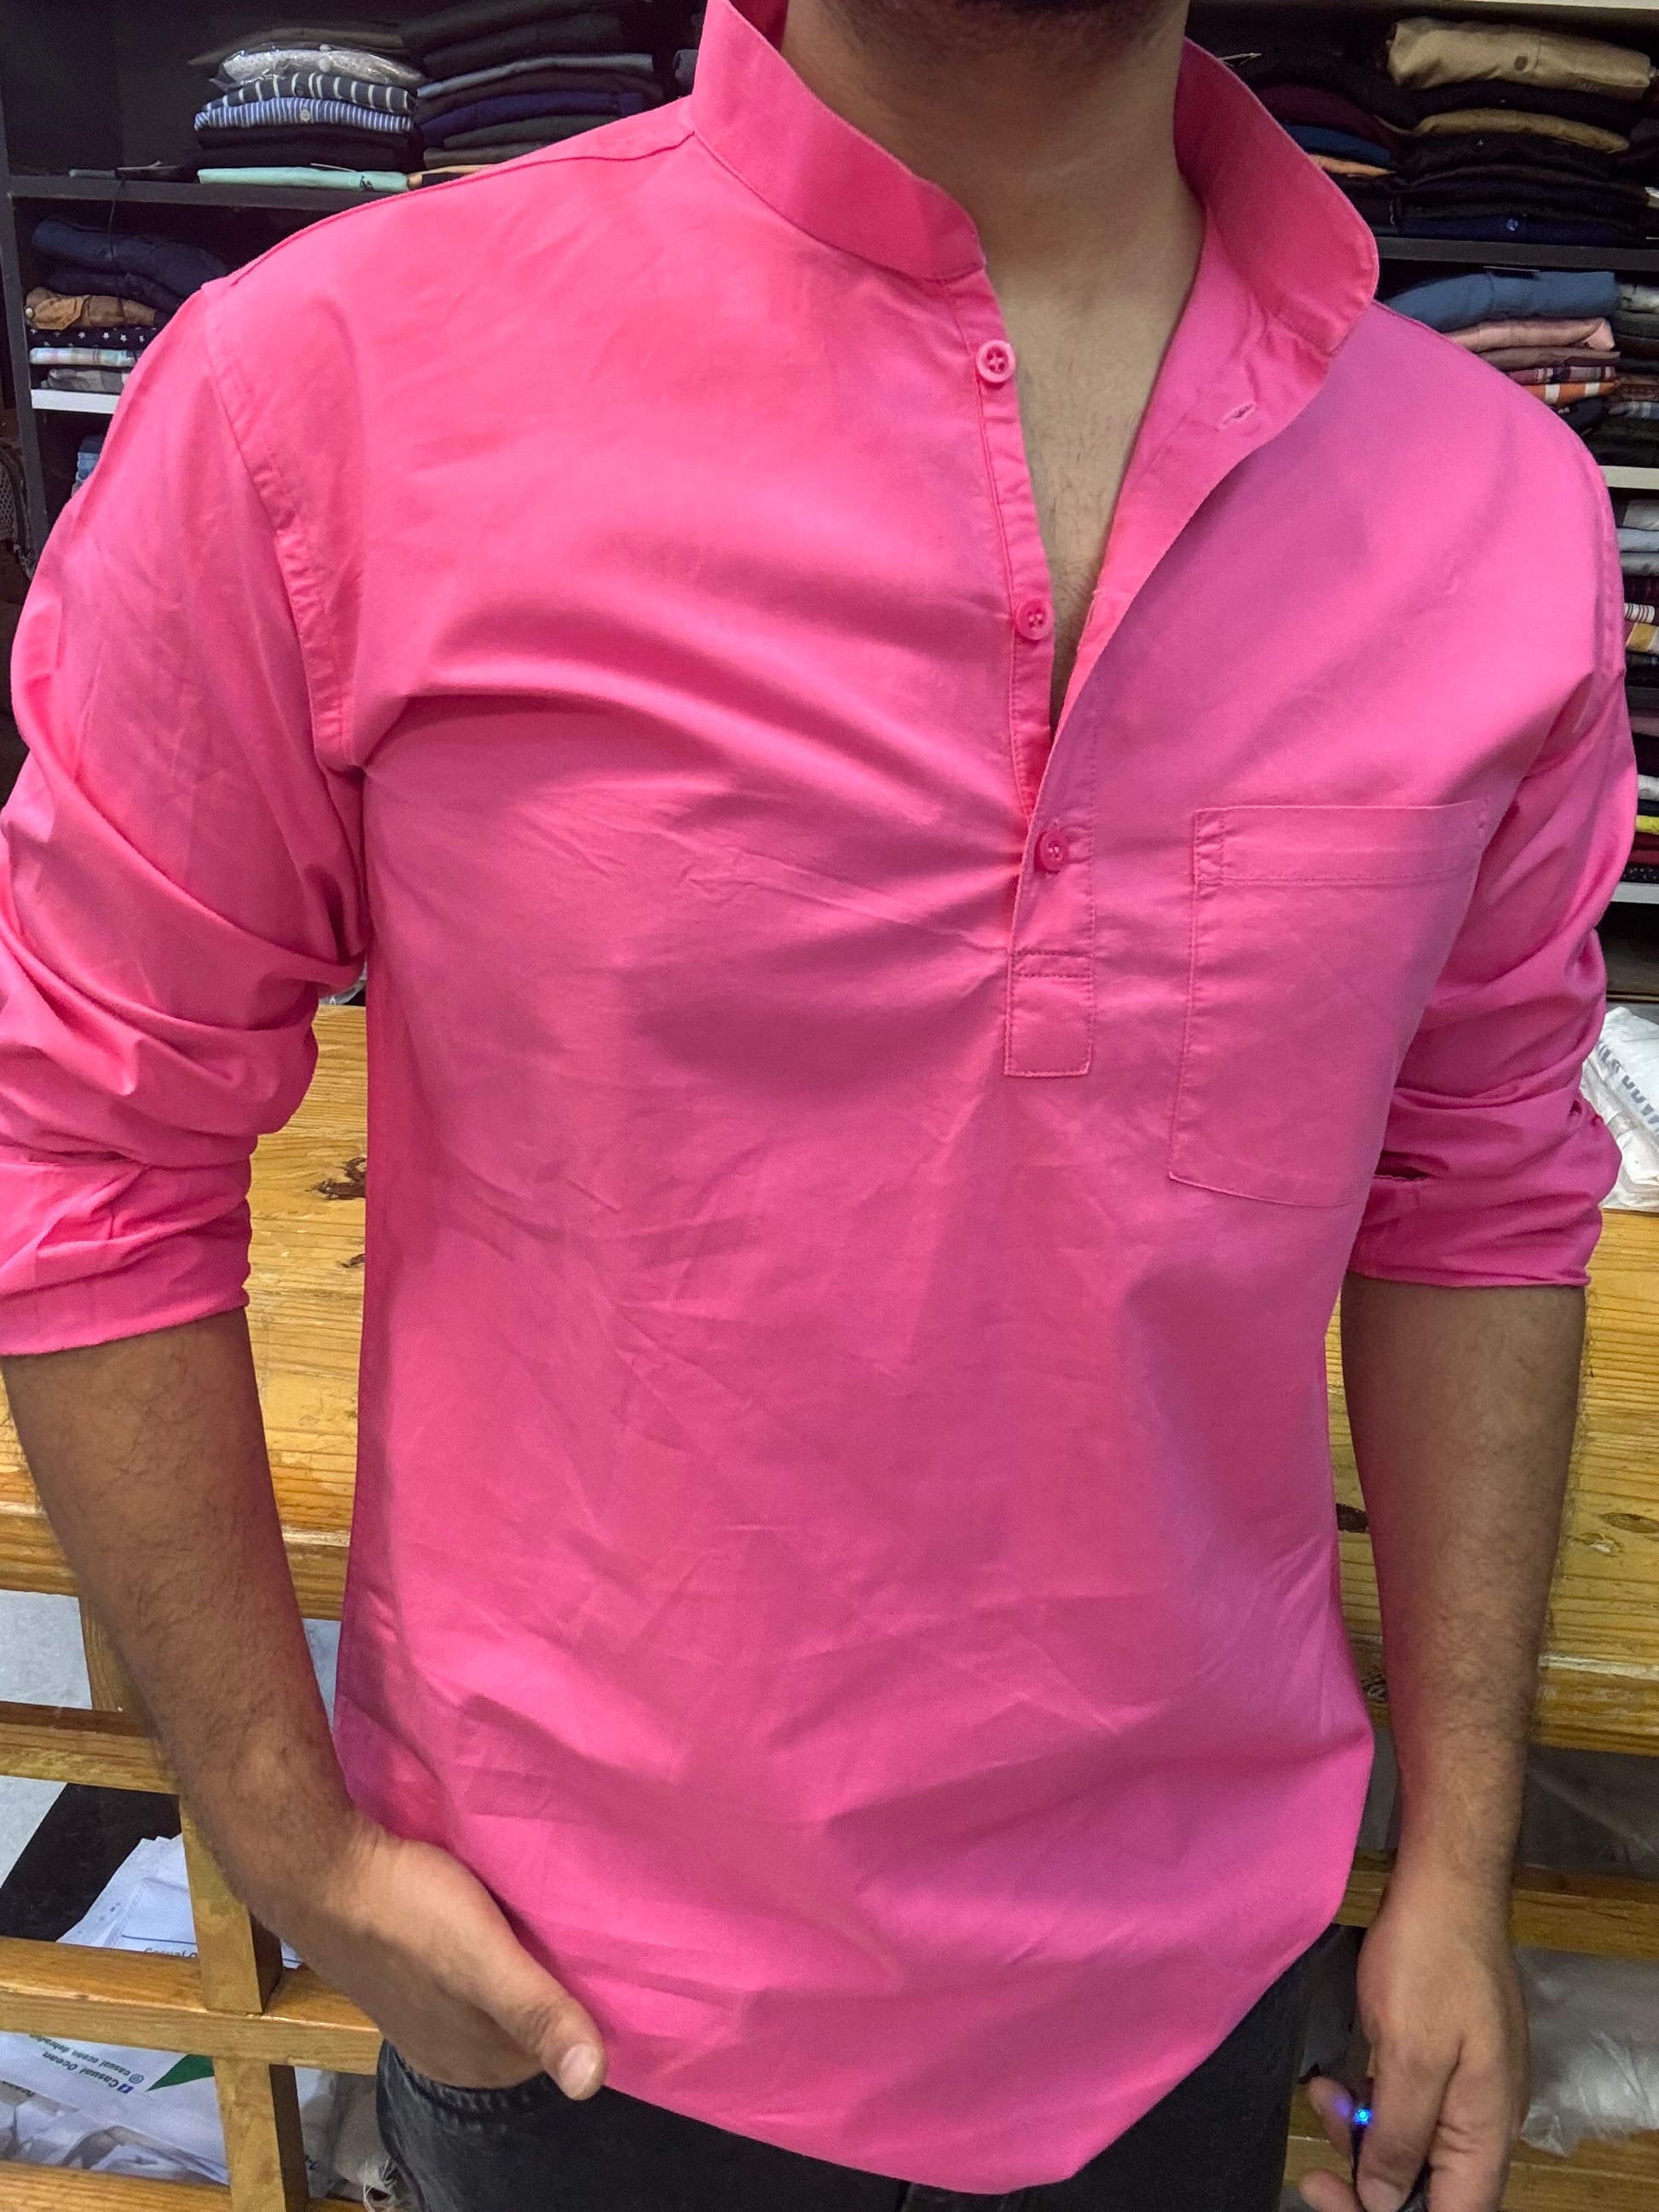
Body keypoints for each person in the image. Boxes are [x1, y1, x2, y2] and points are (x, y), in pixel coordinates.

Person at [0, 0, 1633, 2194]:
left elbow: (1475, 1191)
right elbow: (84, 1140)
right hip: (575, 1991)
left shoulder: (1491, 506)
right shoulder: (330, 394)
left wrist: (1454, 1852)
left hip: (1194, 1965)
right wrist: (287, 1837)